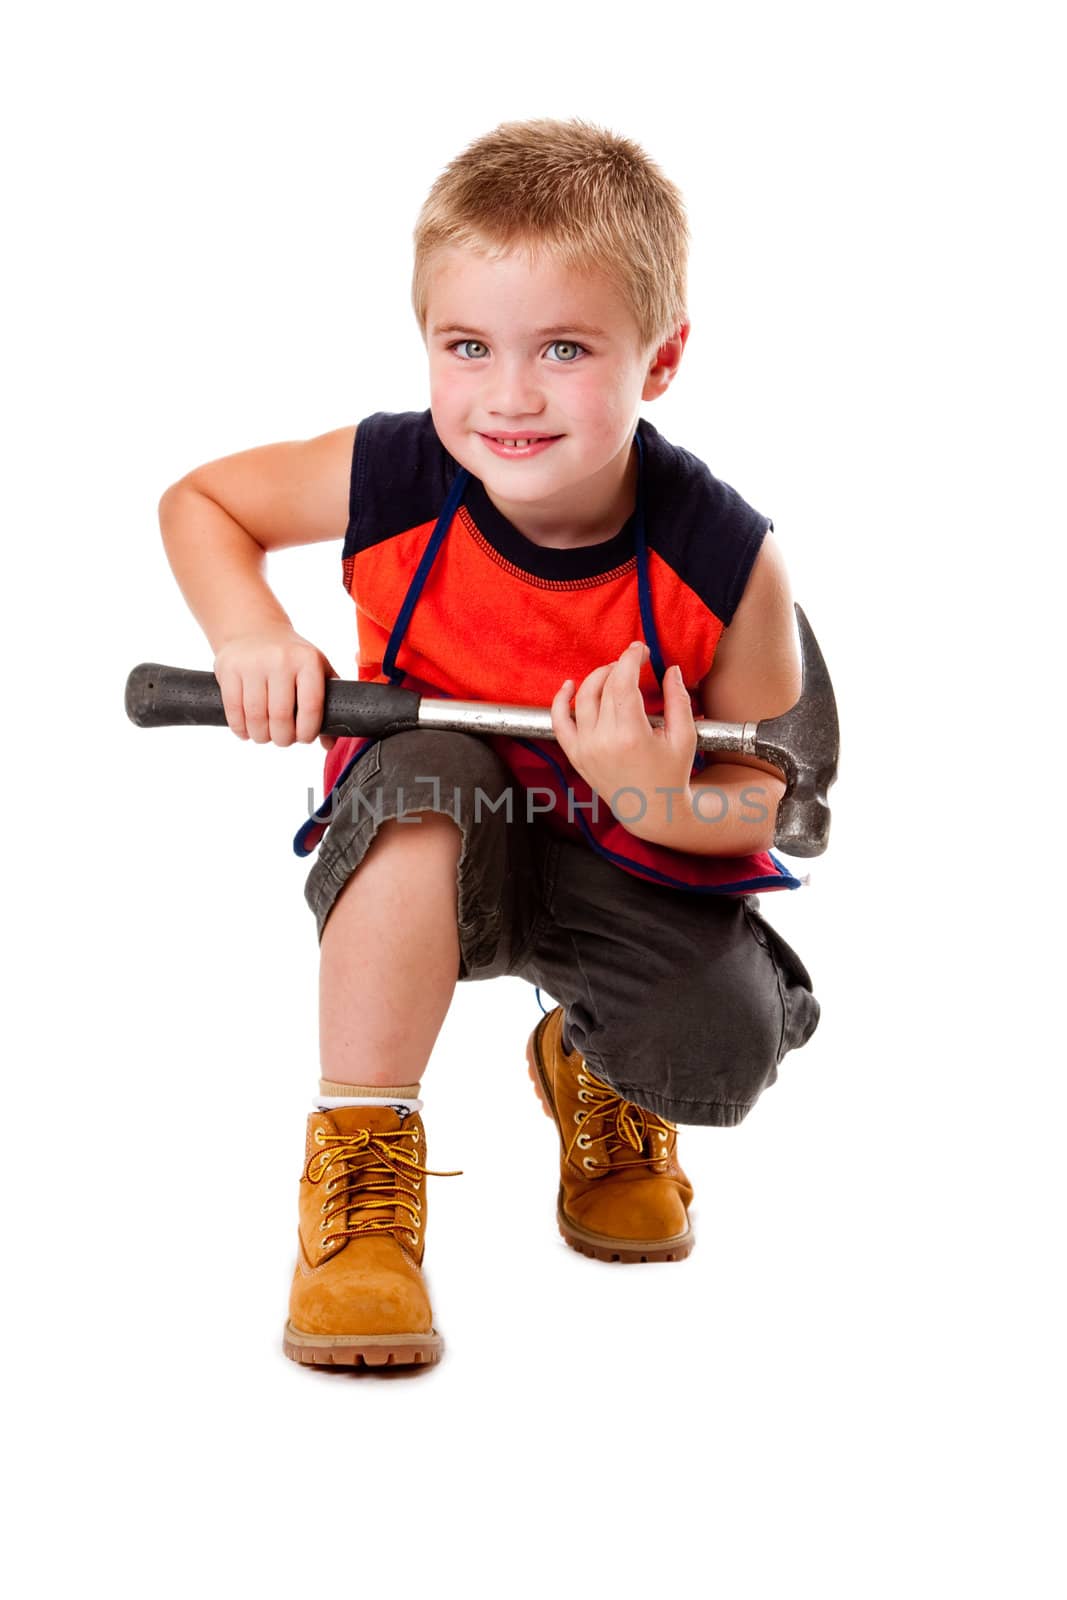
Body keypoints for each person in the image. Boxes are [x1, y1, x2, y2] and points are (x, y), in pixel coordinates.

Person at [157, 116, 822, 1370]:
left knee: (721, 1046)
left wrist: (655, 797)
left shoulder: (728, 563)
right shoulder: (392, 474)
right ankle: (359, 1177)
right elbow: (202, 502)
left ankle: (600, 1068)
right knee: (427, 772)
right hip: (423, 841)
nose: (507, 396)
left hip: (615, 851)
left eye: (563, 349)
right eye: (467, 347)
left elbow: (763, 807)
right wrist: (250, 629)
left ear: (660, 359)